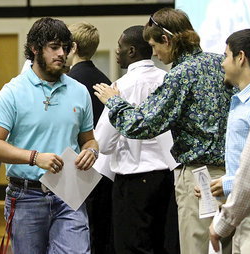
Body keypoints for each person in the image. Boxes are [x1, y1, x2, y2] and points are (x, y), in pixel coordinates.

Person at [93, 7, 235, 254]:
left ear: (167, 40)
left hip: (197, 179)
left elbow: (144, 125)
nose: (155, 54)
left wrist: (113, 101)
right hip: (230, 177)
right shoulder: (219, 63)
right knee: (228, 247)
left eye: (155, 45)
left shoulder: (180, 74)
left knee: (197, 247)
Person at [0, 17, 98, 253]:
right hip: (26, 196)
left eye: (66, 48)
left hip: (69, 192)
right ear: (35, 49)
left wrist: (92, 151)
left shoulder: (79, 91)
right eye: (54, 47)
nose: (62, 54)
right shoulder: (13, 92)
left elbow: (89, 139)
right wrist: (35, 157)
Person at [95, 25, 179, 254]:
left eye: (119, 47)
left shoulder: (121, 87)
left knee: (132, 246)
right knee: (162, 244)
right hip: (167, 178)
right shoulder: (168, 79)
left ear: (131, 51)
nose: (116, 52)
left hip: (132, 179)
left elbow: (103, 142)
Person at [207, 28, 250, 253]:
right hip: (244, 213)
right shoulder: (243, 99)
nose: (222, 63)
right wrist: (227, 183)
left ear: (241, 57)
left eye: (226, 55)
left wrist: (223, 222)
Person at [66, 21, 113, 254]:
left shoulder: (69, 84)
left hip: (77, 167)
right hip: (105, 169)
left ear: (72, 47)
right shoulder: (105, 79)